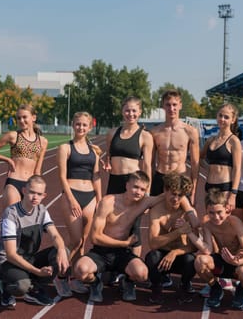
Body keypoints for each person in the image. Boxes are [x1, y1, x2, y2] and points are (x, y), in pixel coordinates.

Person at [73, 171, 165, 303]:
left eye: (143, 189)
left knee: (142, 274)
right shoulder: (108, 202)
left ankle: (126, 281)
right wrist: (124, 243)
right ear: (127, 185)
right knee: (80, 270)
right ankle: (95, 283)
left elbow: (168, 196)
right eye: (136, 187)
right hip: (101, 252)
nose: (138, 192)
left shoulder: (143, 202)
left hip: (122, 254)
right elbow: (95, 238)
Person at [0, 175, 70, 309]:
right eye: (32, 192)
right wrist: (37, 271)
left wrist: (61, 250)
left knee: (63, 253)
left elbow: (55, 236)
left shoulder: (42, 210)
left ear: (44, 196)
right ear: (24, 191)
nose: (35, 197)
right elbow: (11, 254)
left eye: (39, 194)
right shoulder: (11, 214)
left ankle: (34, 287)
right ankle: (5, 285)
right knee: (21, 286)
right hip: (9, 262)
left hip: (29, 259)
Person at [58, 112, 102, 293]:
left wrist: (99, 200)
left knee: (83, 242)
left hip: (90, 196)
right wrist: (71, 200)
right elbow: (61, 176)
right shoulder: (65, 148)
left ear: (90, 127)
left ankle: (76, 278)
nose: (81, 128)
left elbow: (97, 176)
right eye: (78, 124)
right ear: (72, 125)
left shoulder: (94, 150)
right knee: (75, 240)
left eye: (84, 125)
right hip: (72, 194)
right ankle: (60, 276)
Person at [104, 96, 154, 257]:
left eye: (134, 110)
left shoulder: (145, 136)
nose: (130, 114)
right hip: (114, 182)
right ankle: (114, 264)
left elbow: (147, 166)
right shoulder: (112, 133)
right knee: (112, 223)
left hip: (133, 184)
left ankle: (133, 265)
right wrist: (107, 164)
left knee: (134, 226)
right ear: (122, 111)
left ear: (139, 112)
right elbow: (108, 157)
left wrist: (147, 193)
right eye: (127, 110)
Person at [192, 189, 243, 309]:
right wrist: (190, 234)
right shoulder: (207, 224)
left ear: (227, 209)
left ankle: (242, 290)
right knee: (200, 261)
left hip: (238, 263)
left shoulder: (234, 222)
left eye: (219, 212)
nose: (216, 217)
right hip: (223, 260)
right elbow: (208, 250)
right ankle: (215, 289)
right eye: (211, 213)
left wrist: (237, 261)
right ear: (206, 210)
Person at [145, 171, 200, 305]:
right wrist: (179, 232)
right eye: (173, 194)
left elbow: (195, 246)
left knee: (192, 260)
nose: (176, 199)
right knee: (151, 257)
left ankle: (184, 284)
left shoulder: (188, 213)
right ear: (165, 190)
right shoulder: (156, 212)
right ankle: (157, 286)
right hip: (162, 256)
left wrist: (174, 252)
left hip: (180, 254)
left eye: (180, 195)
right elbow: (152, 243)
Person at [0, 103, 48, 209]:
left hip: (30, 186)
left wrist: (39, 189)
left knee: (28, 222)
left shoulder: (43, 141)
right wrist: (7, 160)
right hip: (14, 182)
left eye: (24, 117)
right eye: (19, 118)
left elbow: (38, 170)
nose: (21, 121)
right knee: (12, 219)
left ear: (33, 117)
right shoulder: (13, 136)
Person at [150, 89, 200, 204]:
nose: (171, 109)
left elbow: (194, 164)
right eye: (168, 105)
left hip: (180, 178)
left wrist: (193, 191)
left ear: (180, 105)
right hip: (160, 178)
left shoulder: (190, 131)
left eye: (174, 105)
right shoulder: (155, 132)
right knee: (156, 216)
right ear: (163, 106)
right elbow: (150, 163)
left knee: (180, 219)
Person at [200, 103, 242, 213]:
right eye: (220, 115)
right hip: (209, 186)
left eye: (226, 117)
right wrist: (209, 168)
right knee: (209, 220)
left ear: (233, 120)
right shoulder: (210, 140)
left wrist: (233, 194)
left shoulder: (234, 141)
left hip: (225, 187)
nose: (222, 119)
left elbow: (237, 169)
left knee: (223, 221)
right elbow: (199, 158)